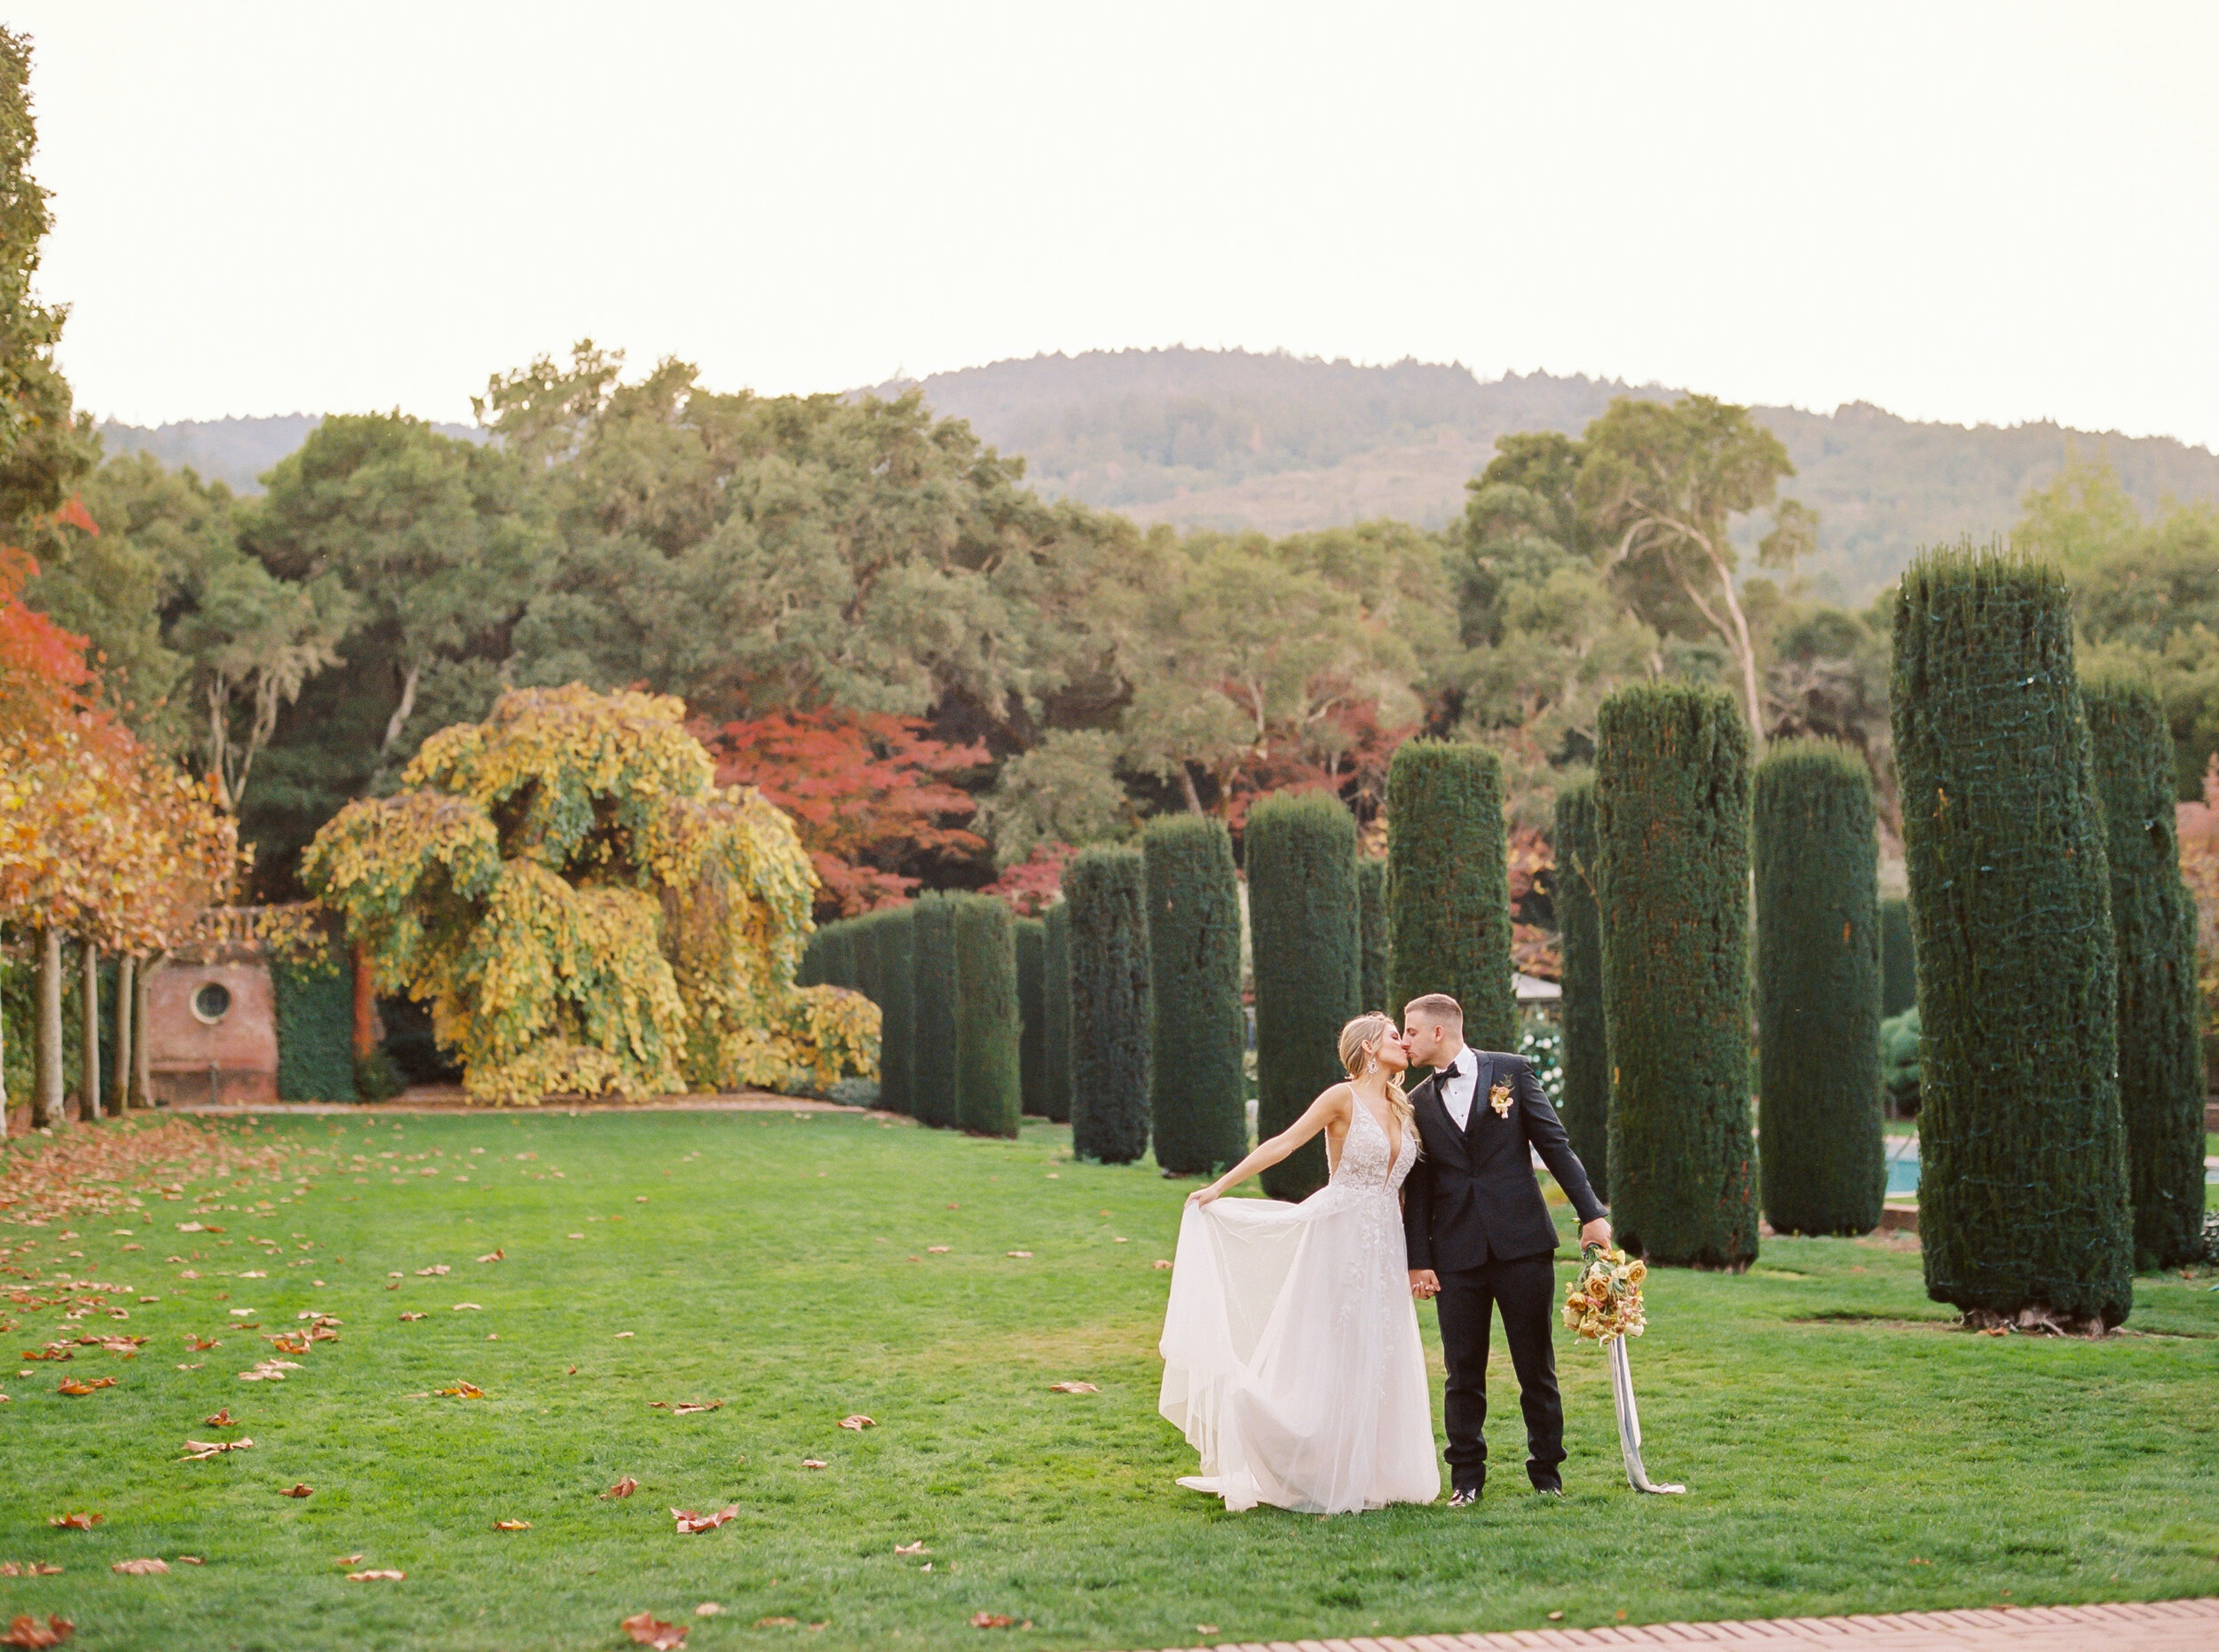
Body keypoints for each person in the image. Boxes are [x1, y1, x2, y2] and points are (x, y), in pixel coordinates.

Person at [1155, 1012, 1439, 1514]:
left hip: (1385, 1244)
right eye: (1396, 1035)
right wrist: (1221, 1187)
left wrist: (1418, 1257)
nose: (1405, 1043)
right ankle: (1306, 1458)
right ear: (1370, 1048)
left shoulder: (1402, 1105)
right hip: (1338, 1235)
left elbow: (1404, 1191)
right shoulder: (1341, 1097)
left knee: (1380, 1347)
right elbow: (1284, 1143)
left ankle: (1372, 1470)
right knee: (1333, 1344)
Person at [1401, 992, 1610, 1506]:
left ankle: (1548, 1476)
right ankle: (1466, 1480)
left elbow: (1555, 1145)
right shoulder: (1418, 1101)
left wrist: (1593, 1215)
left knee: (1535, 1366)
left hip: (1522, 1245)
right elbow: (1420, 1187)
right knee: (1462, 1371)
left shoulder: (1511, 1072)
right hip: (1456, 1253)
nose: (1403, 1040)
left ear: (1437, 1032)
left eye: (1409, 1030)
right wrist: (1419, 1259)